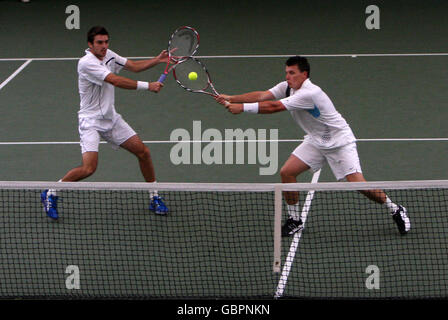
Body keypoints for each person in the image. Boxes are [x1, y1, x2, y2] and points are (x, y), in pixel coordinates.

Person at [216, 56, 410, 236]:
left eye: (292, 73)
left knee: (358, 184)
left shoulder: (310, 93)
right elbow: (263, 96)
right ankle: (294, 219)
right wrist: (233, 98)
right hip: (317, 140)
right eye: (286, 72)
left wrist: (241, 108)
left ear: (304, 74)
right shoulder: (287, 87)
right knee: (287, 172)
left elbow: (274, 107)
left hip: (339, 142)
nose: (287, 76)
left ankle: (394, 208)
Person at [41, 26, 171, 220]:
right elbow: (115, 80)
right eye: (99, 43)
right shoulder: (86, 63)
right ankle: (51, 192)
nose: (104, 46)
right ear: (90, 44)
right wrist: (148, 86)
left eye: (106, 42)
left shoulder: (108, 54)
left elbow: (133, 67)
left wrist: (156, 60)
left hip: (111, 119)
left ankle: (154, 197)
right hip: (91, 122)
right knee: (89, 169)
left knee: (143, 152)